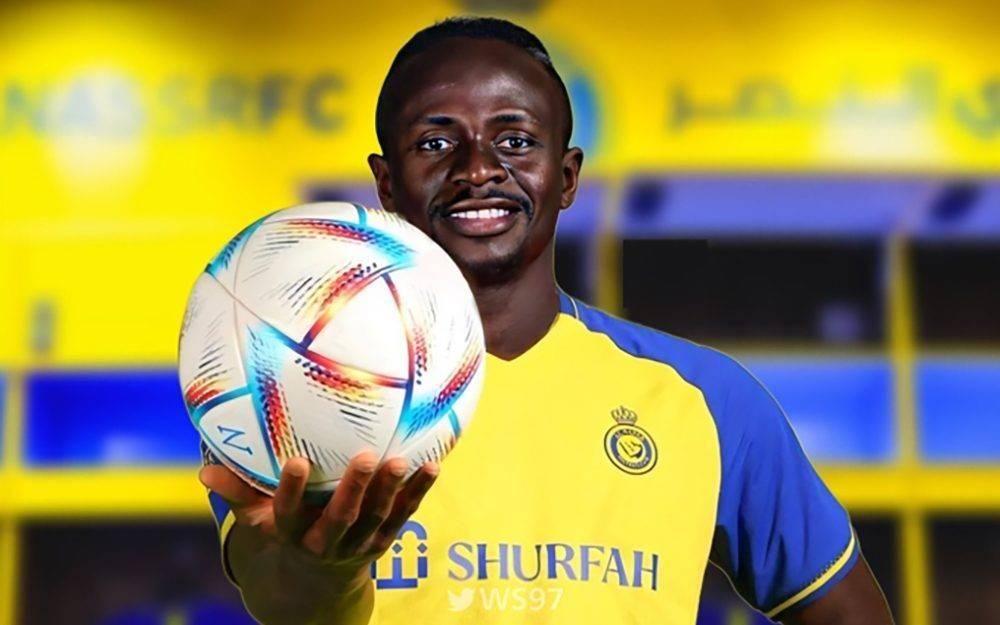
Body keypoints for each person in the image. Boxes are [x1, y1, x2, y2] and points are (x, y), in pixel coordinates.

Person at [199, 16, 895, 625]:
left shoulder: (705, 398)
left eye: (515, 139)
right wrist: (326, 573)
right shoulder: (296, 389)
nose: (478, 168)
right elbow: (282, 595)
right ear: (387, 184)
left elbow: (847, 611)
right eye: (436, 144)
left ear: (565, 177)